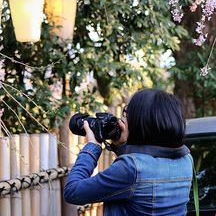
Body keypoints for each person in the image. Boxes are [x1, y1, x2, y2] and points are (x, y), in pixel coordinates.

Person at [64, 89, 193, 216]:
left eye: (127, 113)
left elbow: (72, 192)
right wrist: (121, 146)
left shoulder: (130, 168)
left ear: (141, 122)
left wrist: (92, 147)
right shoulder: (186, 159)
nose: (124, 119)